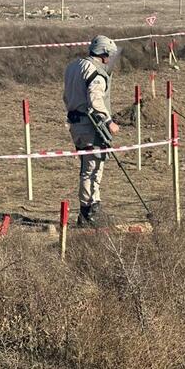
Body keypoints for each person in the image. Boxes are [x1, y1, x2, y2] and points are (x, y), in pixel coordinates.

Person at [63, 35, 120, 226]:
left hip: (76, 124)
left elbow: (66, 96)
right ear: (104, 53)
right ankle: (89, 212)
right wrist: (109, 121)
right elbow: (95, 99)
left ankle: (91, 208)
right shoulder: (95, 72)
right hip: (90, 126)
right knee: (92, 168)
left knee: (87, 166)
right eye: (110, 56)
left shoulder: (73, 67)